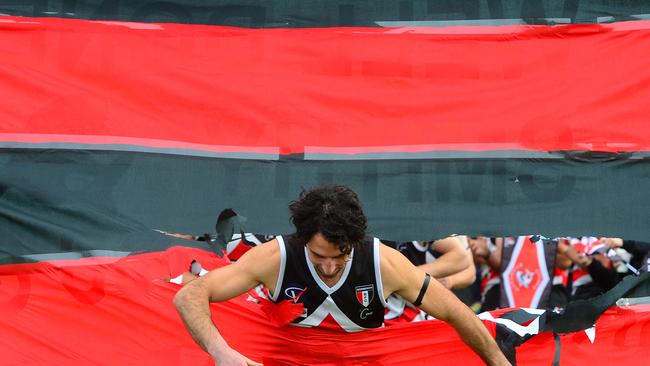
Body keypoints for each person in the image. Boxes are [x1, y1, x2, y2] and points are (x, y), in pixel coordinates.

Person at [174, 184, 510, 366]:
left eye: (341, 255)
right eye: (319, 256)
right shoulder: (277, 257)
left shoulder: (382, 263)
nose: (330, 266)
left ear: (355, 242)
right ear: (302, 238)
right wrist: (221, 352)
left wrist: (499, 363)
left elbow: (455, 311)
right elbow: (189, 295)